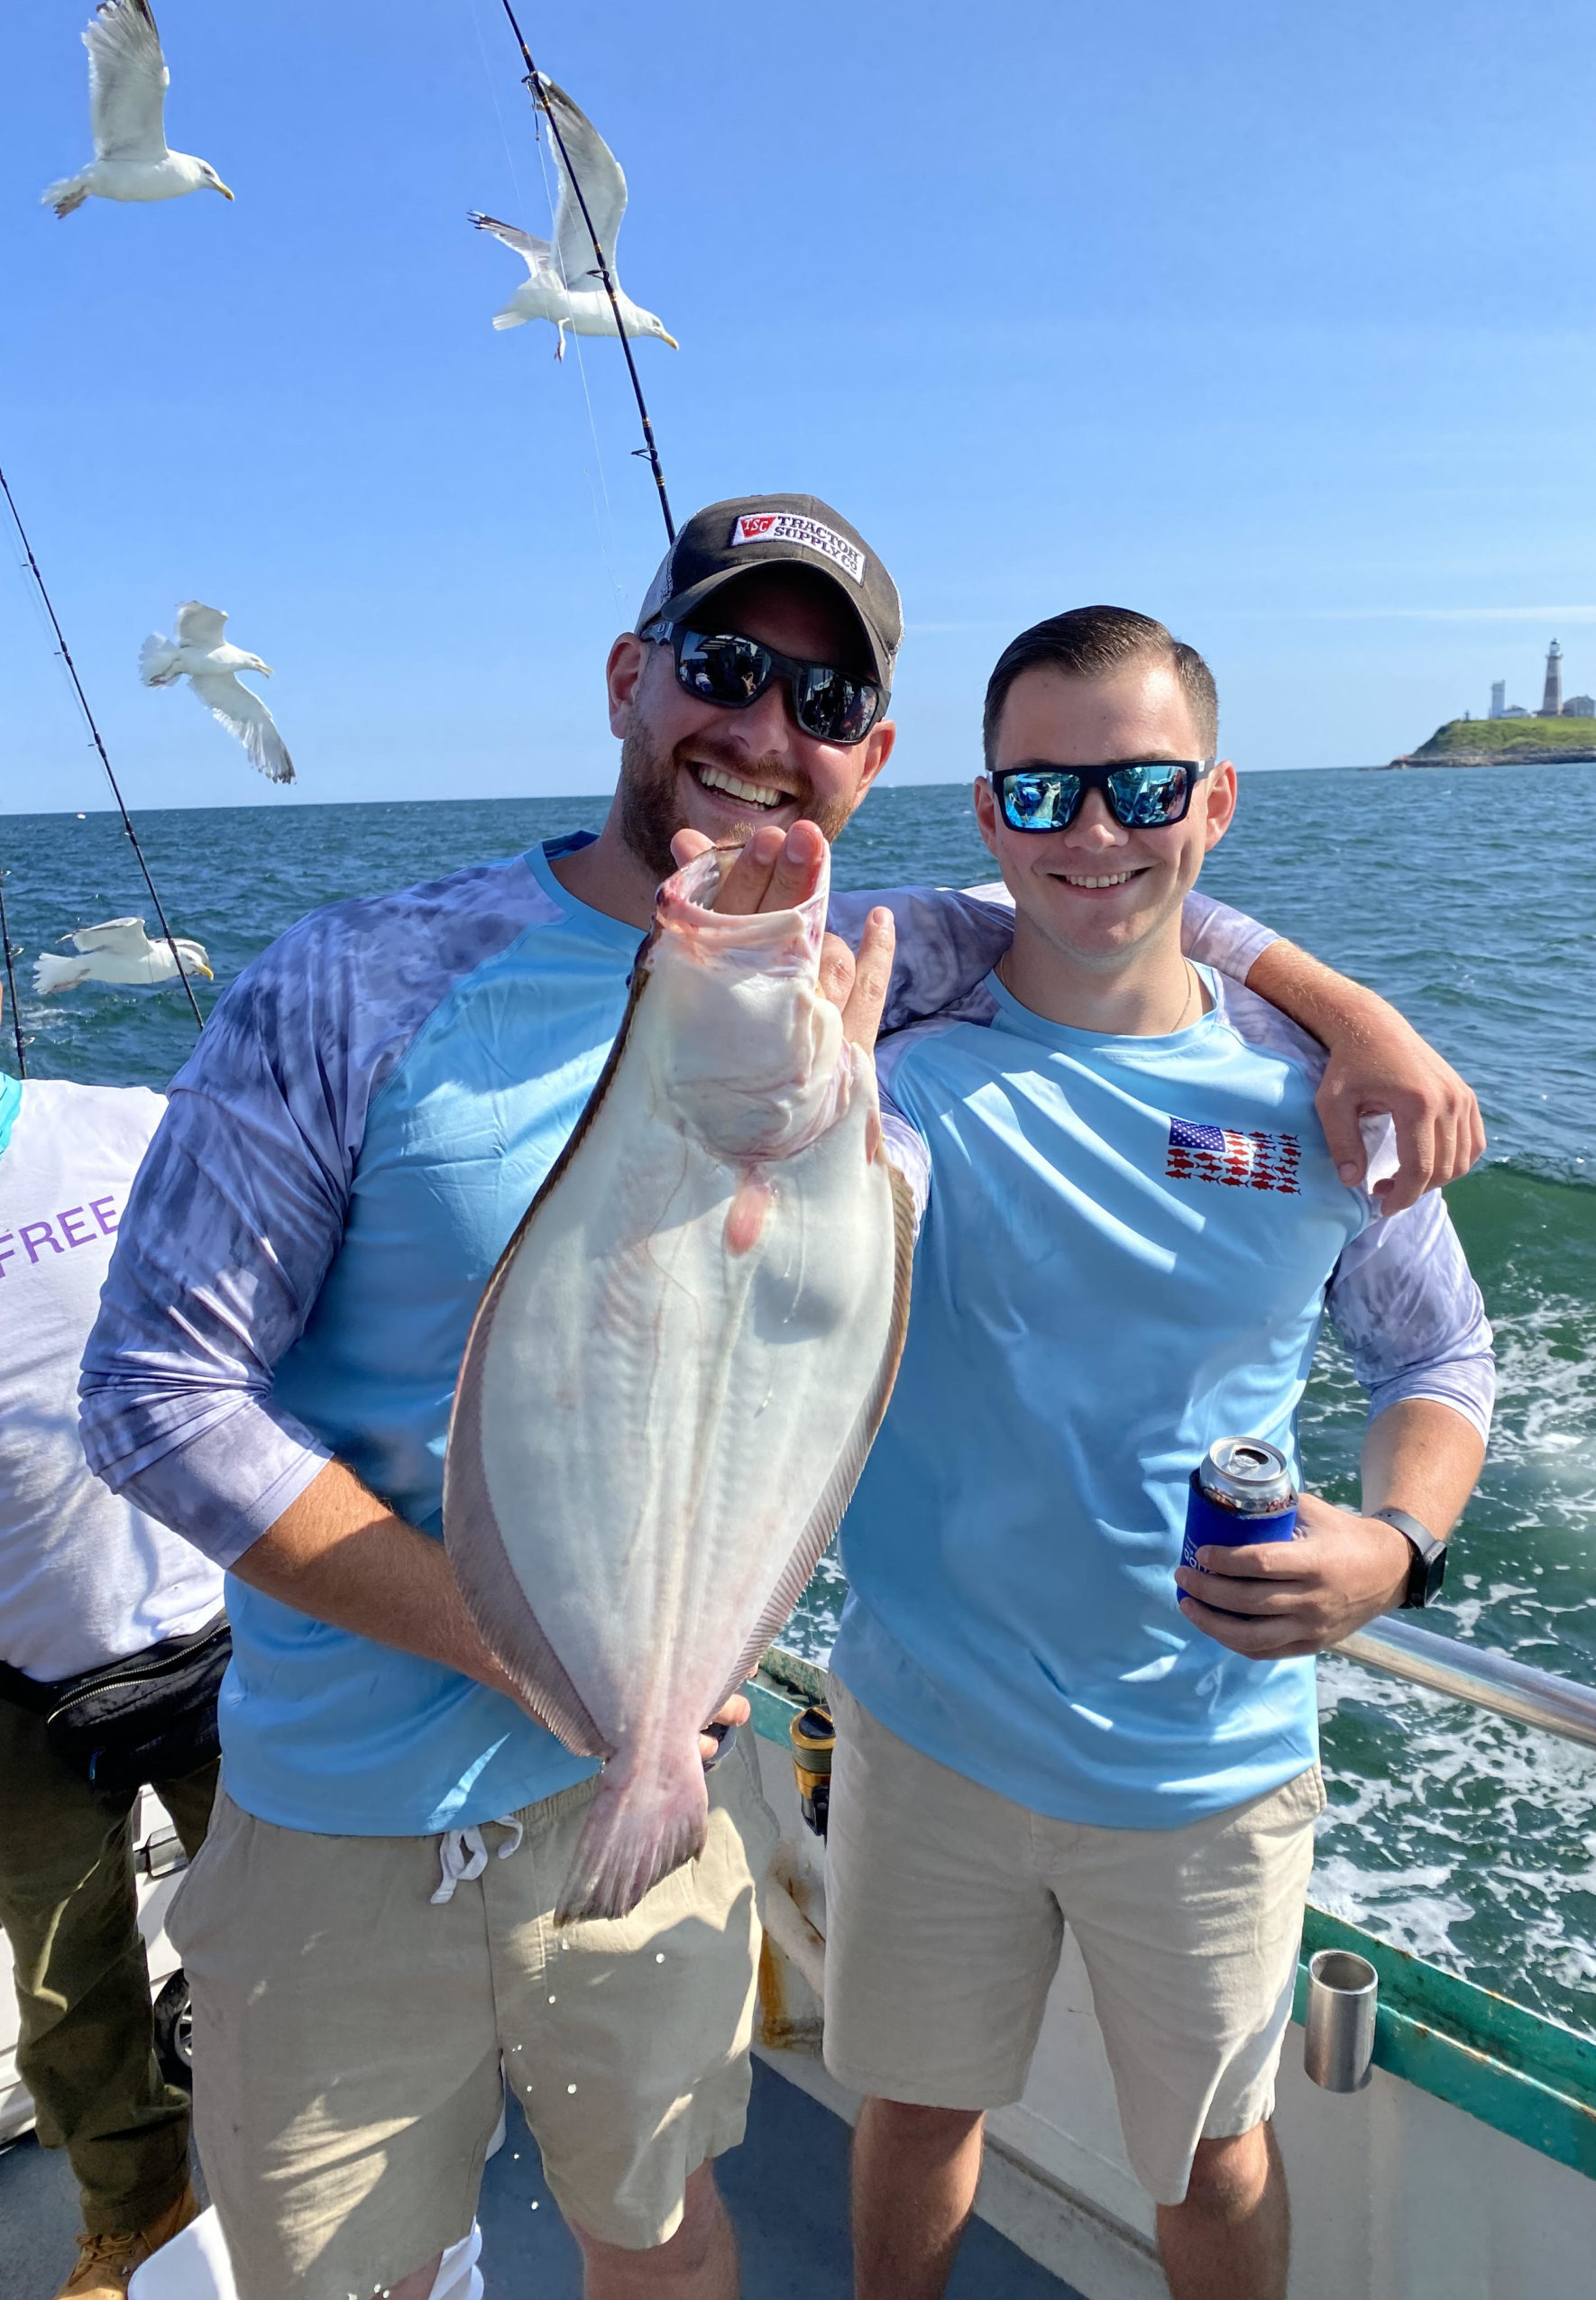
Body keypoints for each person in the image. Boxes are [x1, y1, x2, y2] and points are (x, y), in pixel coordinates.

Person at [80, 497, 1480, 2300]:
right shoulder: (356, 976)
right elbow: (151, 1393)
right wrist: (512, 1643)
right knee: (349, 2276)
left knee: (663, 2237)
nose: (763, 730)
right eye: (725, 667)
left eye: (822, 701)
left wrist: (1338, 1002)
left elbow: (1104, 888)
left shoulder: (857, 964)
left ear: (873, 760)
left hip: (681, 1812)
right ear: (626, 678)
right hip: (348, 1811)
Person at [819, 607, 1496, 2300]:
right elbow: (748, 955)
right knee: (913, 2111)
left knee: (1210, 2151)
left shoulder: (1327, 1103)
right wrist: (1324, 976)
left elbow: (1438, 1353)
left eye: (1142, 786)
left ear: (1217, 798)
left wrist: (1395, 1546)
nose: (1099, 834)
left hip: (1205, 1767)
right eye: (1045, 795)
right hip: (926, 1726)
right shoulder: (891, 1066)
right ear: (986, 817)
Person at [0, 1020, 227, 2300]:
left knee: (299, 1934)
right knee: (63, 1979)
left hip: (228, 1636)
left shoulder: (138, 1124)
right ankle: (133, 2215)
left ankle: (317, 2167)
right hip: (12, 1689)